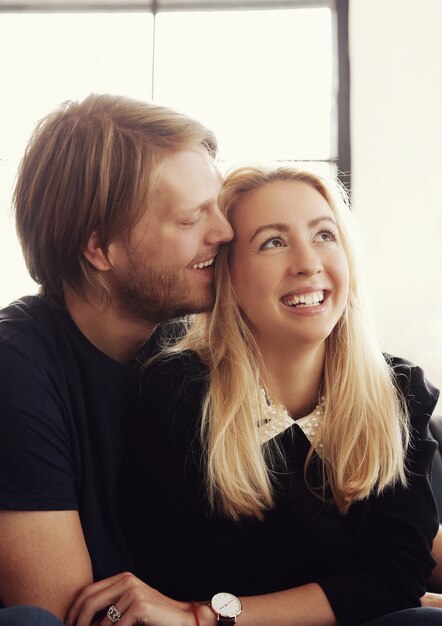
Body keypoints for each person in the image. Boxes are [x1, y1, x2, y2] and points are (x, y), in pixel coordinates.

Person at [67, 166, 441, 626]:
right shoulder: (176, 395)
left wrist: (207, 616)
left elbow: (395, 576)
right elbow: (185, 582)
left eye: (325, 234)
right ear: (228, 276)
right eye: (273, 242)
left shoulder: (399, 392)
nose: (308, 263)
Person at [0, 93, 233, 624]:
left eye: (218, 206)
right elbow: (71, 613)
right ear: (100, 249)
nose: (225, 232)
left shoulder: (196, 345)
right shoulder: (18, 371)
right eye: (190, 219)